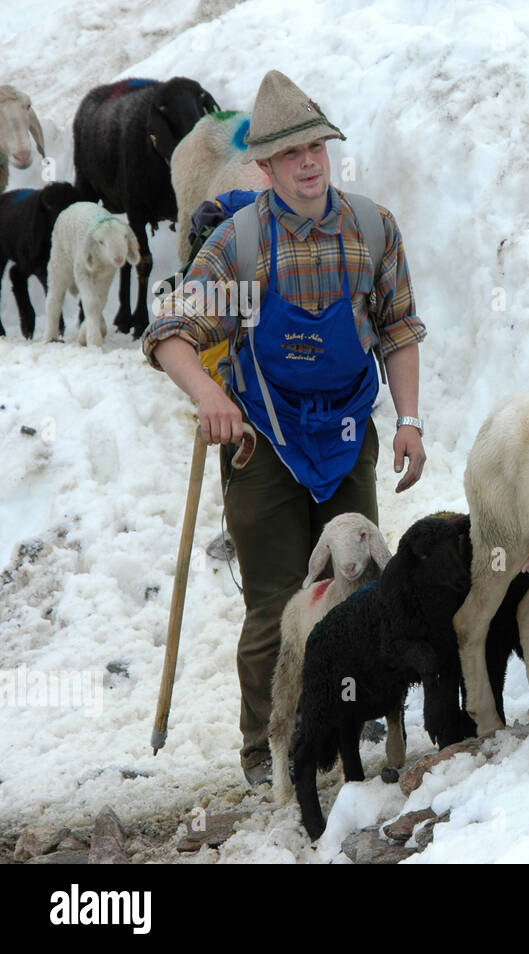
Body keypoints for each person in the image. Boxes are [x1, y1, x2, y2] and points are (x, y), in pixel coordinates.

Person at [143, 70, 427, 788]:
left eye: (318, 148)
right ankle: (264, 748)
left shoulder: (370, 229)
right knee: (276, 604)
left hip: (344, 436)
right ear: (264, 167)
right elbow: (170, 331)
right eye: (292, 153)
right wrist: (210, 393)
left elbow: (398, 330)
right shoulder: (240, 246)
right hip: (263, 439)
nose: (309, 163)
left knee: (353, 590)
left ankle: (344, 730)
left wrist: (410, 421)